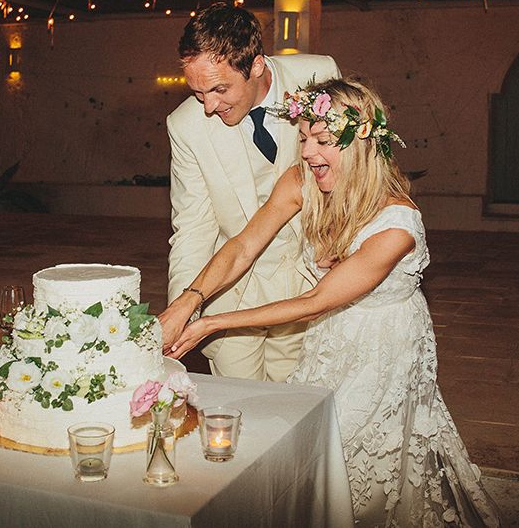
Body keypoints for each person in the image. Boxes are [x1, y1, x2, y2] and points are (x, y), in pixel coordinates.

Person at [163, 78, 501, 526]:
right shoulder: (301, 182)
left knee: (360, 455)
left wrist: (211, 323)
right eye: (303, 138)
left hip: (384, 348)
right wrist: (190, 301)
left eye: (322, 141)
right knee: (313, 446)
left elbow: (316, 298)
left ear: (361, 142)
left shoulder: (396, 226)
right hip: (330, 336)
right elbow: (244, 245)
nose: (306, 152)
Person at [162, 2, 340, 381]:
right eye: (197, 92)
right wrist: (184, 307)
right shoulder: (185, 125)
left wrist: (343, 241)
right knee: (238, 412)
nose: (208, 106)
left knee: (296, 409)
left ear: (256, 65)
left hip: (307, 284)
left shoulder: (319, 76)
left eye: (219, 89)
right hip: (231, 293)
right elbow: (193, 227)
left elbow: (350, 174)